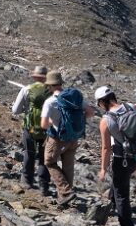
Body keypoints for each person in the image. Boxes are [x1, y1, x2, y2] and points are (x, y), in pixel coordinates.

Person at [96, 86, 136, 226]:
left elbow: (106, 148)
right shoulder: (131, 106)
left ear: (102, 102)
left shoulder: (106, 120)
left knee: (122, 192)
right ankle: (112, 203)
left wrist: (103, 169)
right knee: (118, 179)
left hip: (124, 158)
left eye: (99, 103)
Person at [41, 71, 96, 206]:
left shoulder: (50, 101)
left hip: (57, 138)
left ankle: (66, 192)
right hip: (73, 138)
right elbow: (90, 112)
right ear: (60, 83)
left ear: (50, 86)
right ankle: (64, 198)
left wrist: (54, 123)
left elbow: (43, 124)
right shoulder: (75, 98)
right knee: (68, 167)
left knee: (49, 162)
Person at [11, 65, 51, 193]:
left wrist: (27, 110)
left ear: (34, 77)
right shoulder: (52, 91)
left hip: (30, 127)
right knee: (45, 156)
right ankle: (43, 185)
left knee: (29, 152)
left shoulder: (26, 89)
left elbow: (15, 110)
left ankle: (27, 181)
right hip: (47, 129)